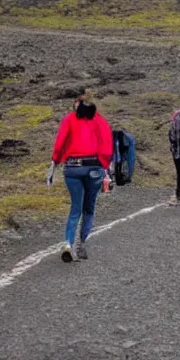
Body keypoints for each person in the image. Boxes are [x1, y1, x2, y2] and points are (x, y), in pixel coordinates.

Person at [47, 89, 113, 262]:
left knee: (75, 208)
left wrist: (55, 161)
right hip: (93, 168)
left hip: (72, 168)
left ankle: (68, 243)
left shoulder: (69, 119)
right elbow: (107, 146)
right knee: (89, 207)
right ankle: (81, 244)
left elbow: (60, 142)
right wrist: (104, 167)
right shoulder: (100, 121)